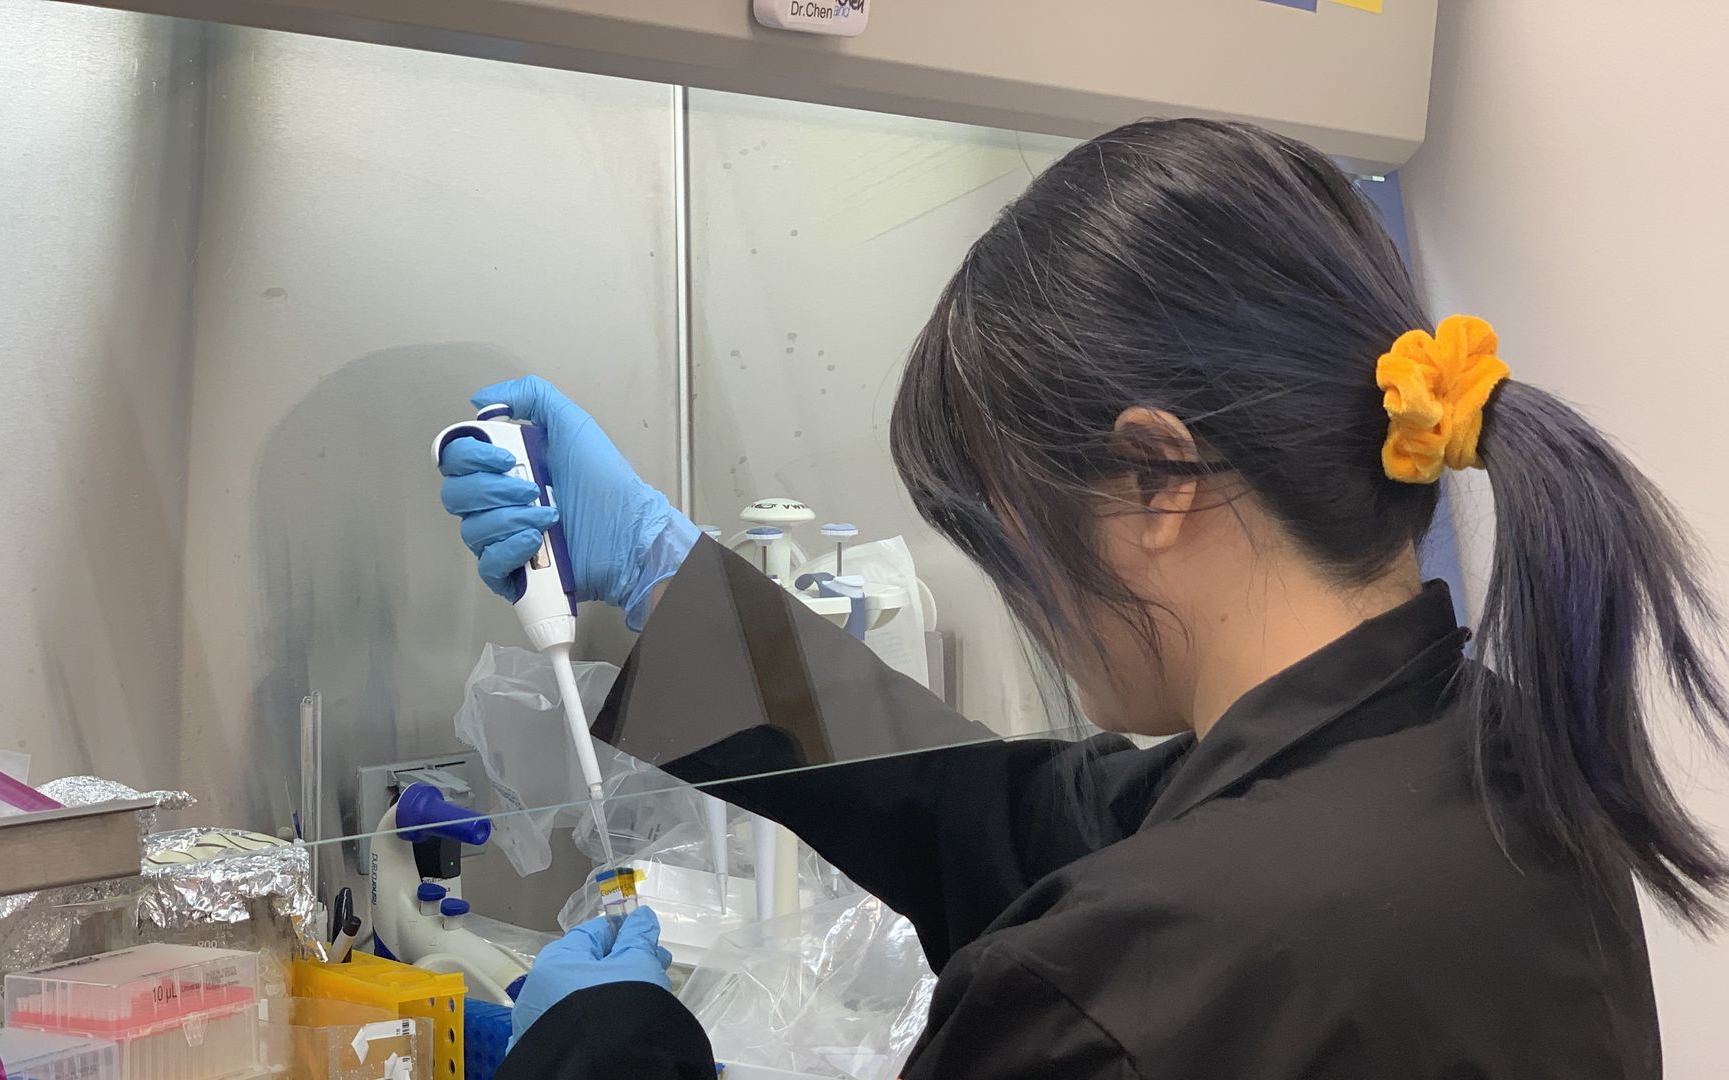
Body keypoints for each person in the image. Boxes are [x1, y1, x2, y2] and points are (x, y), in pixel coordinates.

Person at [439, 119, 1727, 1079]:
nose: (1021, 591)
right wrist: (674, 580)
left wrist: (601, 1048)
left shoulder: (1114, 997)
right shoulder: (1490, 759)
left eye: (1006, 528)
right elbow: (1027, 817)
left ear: (1158, 477)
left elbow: (1111, 923)